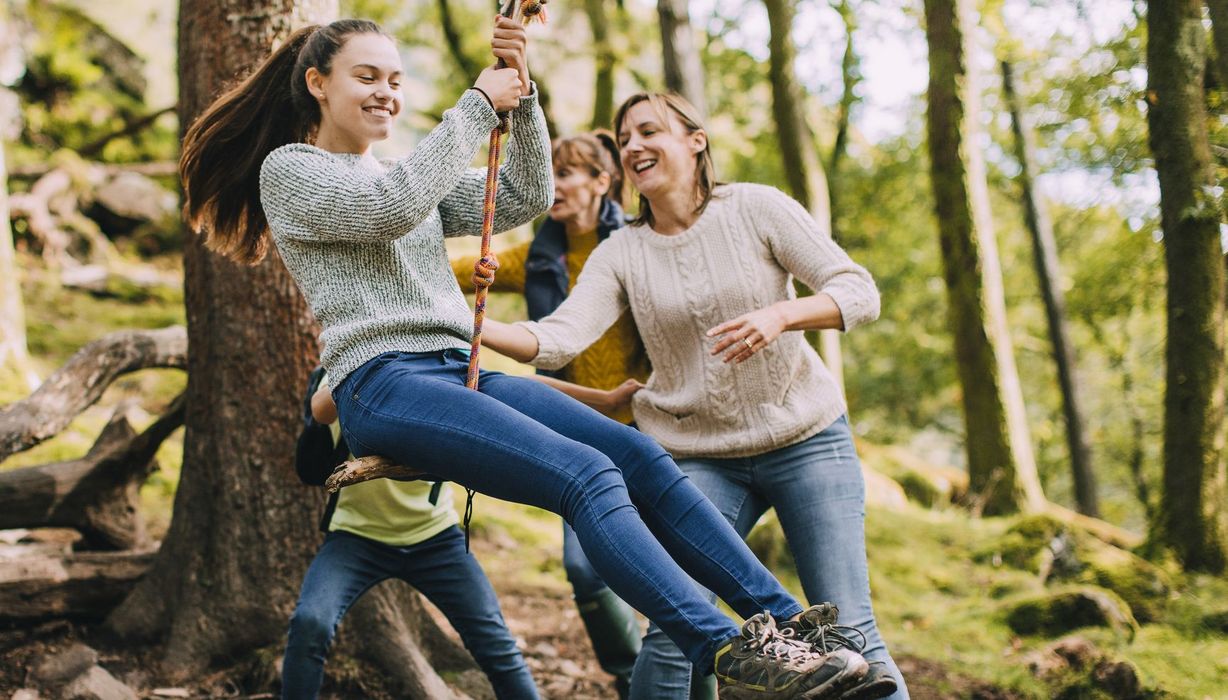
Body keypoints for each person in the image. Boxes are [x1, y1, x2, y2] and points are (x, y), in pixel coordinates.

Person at [180, 16, 871, 700]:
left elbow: (523, 195)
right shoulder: (293, 171)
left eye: (395, 79)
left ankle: (789, 624)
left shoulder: (401, 173)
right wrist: (478, 104)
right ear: (317, 84)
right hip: (385, 382)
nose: (387, 92)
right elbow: (390, 207)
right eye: (367, 77)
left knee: (641, 461)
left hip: (462, 370)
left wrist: (525, 94)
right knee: (587, 476)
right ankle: (723, 647)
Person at [475, 92, 907, 700]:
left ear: (695, 140)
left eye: (649, 131)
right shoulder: (621, 251)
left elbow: (857, 291)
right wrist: (467, 326)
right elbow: (557, 336)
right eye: (625, 139)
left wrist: (782, 315)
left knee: (847, 624)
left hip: (807, 439)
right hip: (696, 453)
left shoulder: (756, 208)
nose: (633, 147)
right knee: (675, 632)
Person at [451, 130, 667, 699]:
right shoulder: (538, 254)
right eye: (552, 171)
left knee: (666, 564)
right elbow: (449, 269)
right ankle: (628, 675)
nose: (556, 185)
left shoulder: (638, 246)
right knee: (583, 566)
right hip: (579, 428)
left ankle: (683, 676)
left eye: (568, 173)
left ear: (603, 182)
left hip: (651, 422)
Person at [283, 369, 539, 699]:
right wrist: (353, 359)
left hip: (435, 538)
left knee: (496, 643)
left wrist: (603, 399)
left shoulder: (437, 370)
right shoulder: (341, 371)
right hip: (355, 537)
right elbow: (321, 409)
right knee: (310, 623)